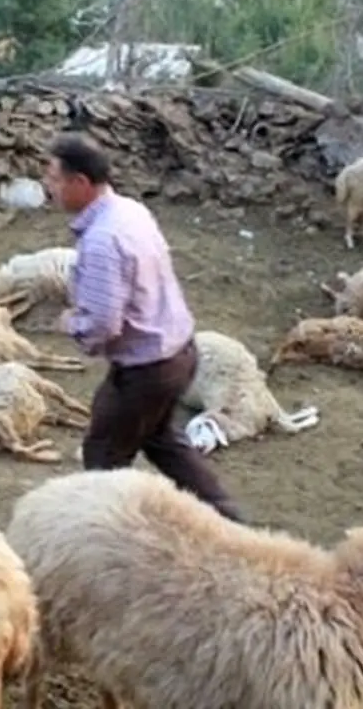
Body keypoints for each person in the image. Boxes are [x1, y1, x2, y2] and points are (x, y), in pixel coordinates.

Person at [43, 133, 245, 523]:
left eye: (53, 178)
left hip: (146, 368)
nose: (47, 187)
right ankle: (231, 520)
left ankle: (103, 537)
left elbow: (103, 321)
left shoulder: (102, 239)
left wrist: (72, 324)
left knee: (103, 455)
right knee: (163, 441)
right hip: (177, 352)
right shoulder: (129, 211)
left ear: (80, 183)